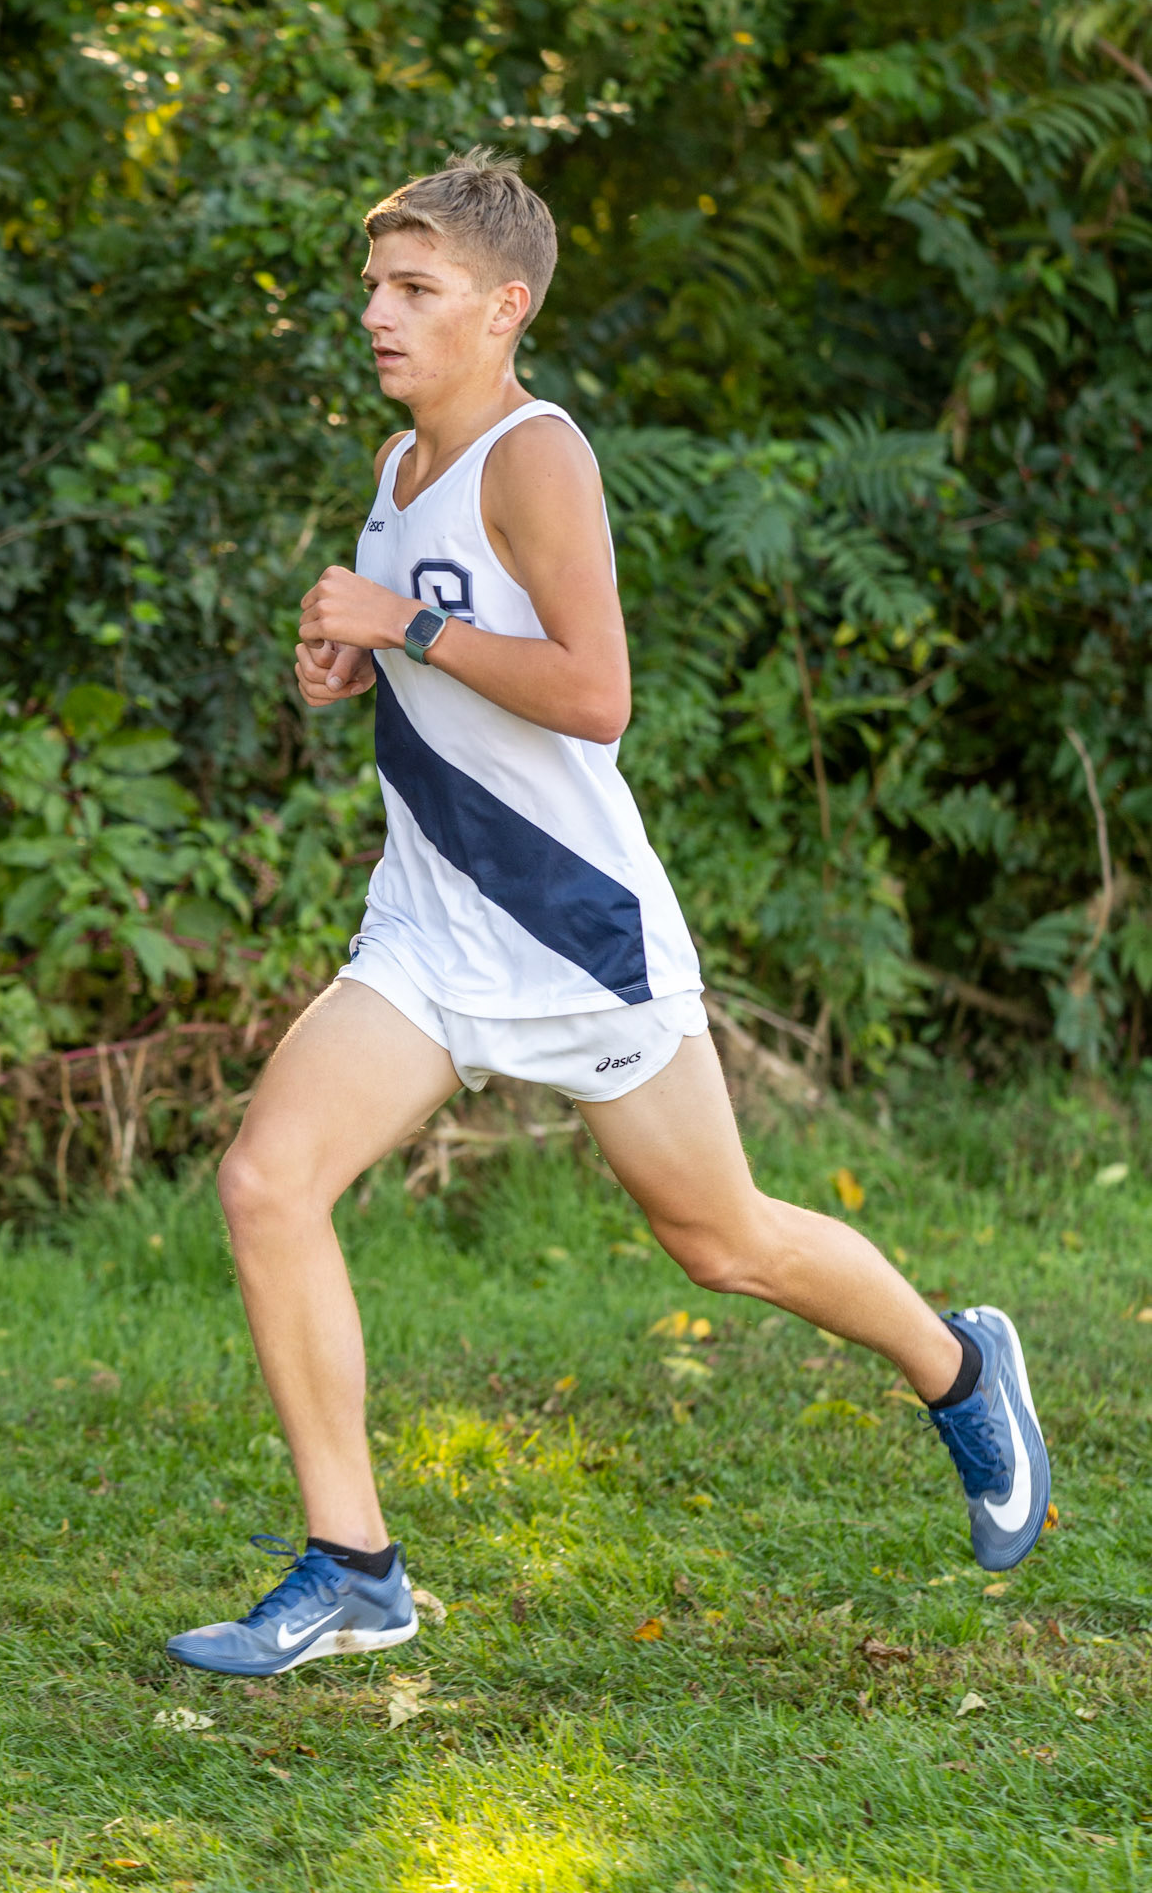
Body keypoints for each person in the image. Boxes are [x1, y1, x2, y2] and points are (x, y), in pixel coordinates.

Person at [166, 149, 1050, 1678]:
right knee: (266, 1182)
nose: (376, 312)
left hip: (574, 929)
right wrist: (351, 661)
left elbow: (595, 693)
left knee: (721, 1239)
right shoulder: (397, 464)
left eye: (414, 288)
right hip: (430, 925)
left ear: (502, 307)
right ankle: (355, 1568)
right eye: (374, 284)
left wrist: (405, 624)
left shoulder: (538, 456)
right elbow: (444, 656)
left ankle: (957, 1364)